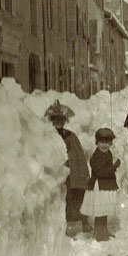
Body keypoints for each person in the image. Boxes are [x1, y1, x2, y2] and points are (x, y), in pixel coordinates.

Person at [46, 100, 91, 237]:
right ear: (51, 121)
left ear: (65, 121)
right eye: (55, 119)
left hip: (73, 174)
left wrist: (80, 174)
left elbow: (78, 157)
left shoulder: (71, 136)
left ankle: (82, 222)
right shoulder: (48, 136)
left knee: (77, 197)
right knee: (63, 200)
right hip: (58, 174)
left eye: (61, 119)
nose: (58, 122)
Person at [80, 128, 121, 242]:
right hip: (99, 186)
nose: (104, 145)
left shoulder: (108, 154)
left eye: (107, 143)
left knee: (104, 210)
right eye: (101, 142)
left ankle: (104, 231)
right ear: (97, 143)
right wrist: (114, 166)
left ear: (110, 143)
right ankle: (99, 233)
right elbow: (102, 172)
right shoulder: (95, 157)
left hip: (106, 186)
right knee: (99, 212)